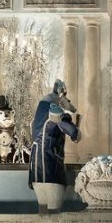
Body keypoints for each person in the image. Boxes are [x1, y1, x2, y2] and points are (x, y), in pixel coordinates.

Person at [28, 80, 81, 213]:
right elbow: (74, 134)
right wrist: (72, 125)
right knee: (54, 214)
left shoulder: (41, 110)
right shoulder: (54, 108)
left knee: (43, 212)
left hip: (36, 170)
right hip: (50, 167)